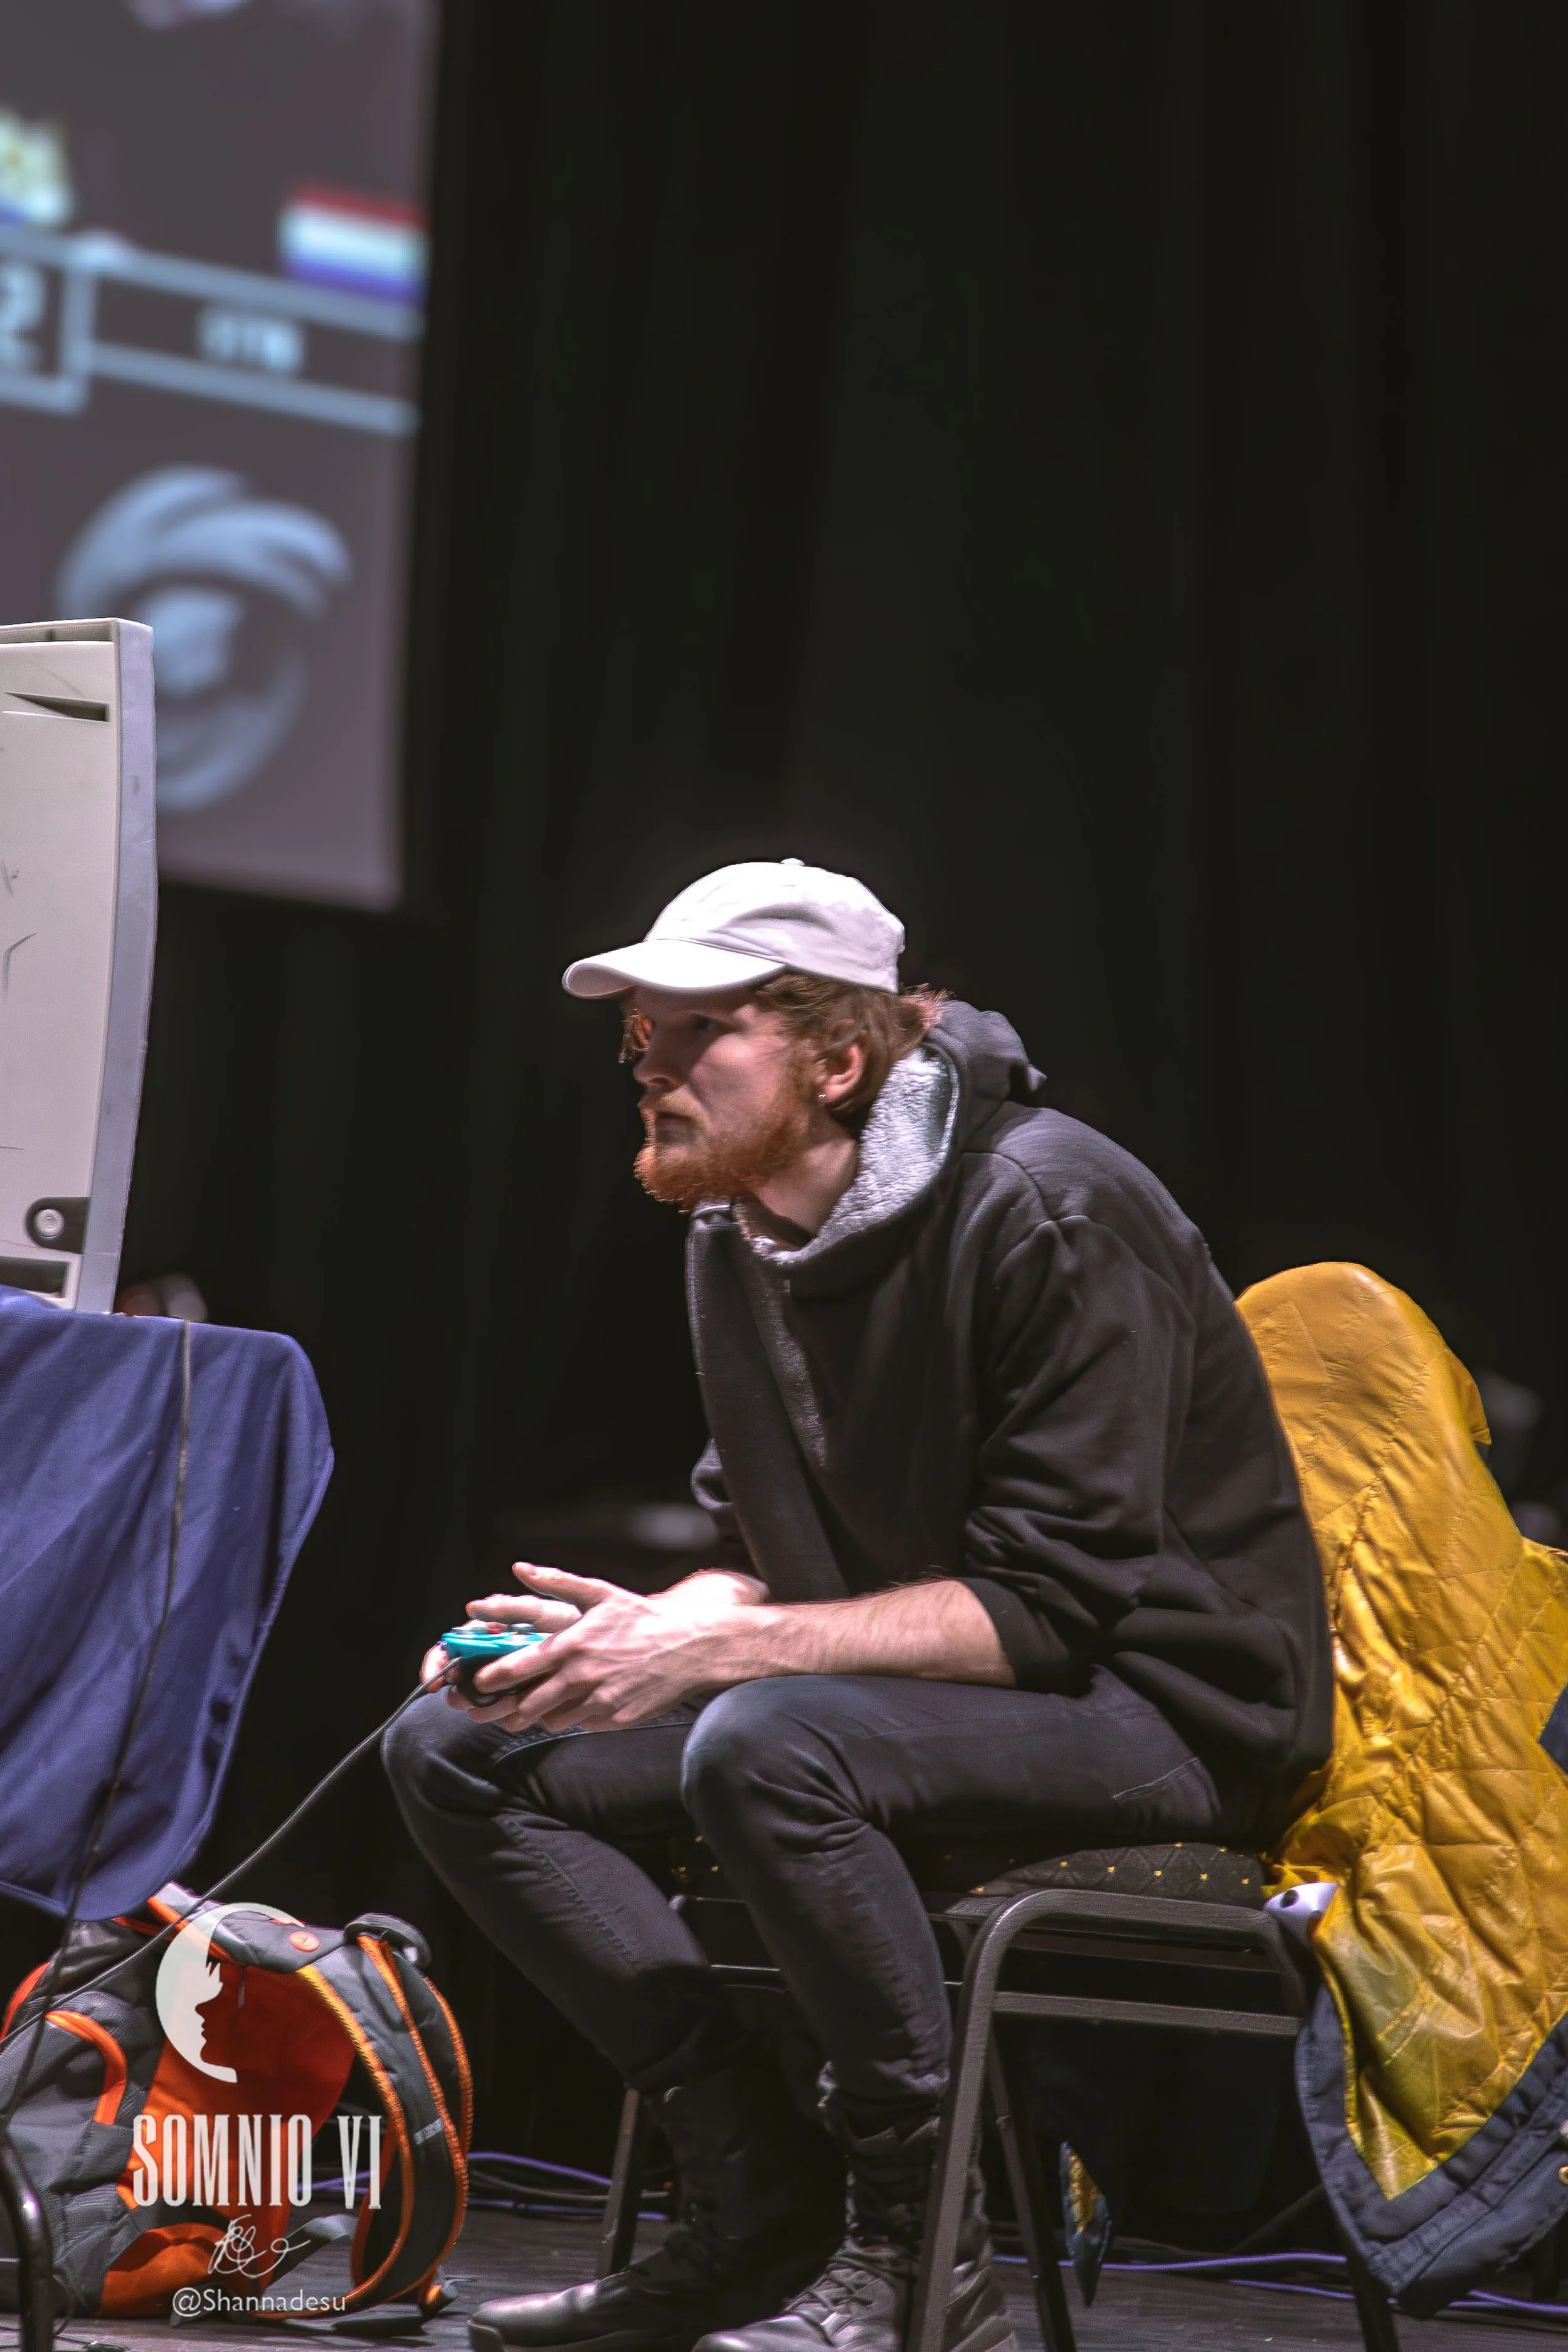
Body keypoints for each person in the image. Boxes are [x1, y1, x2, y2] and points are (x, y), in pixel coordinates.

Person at [384, 859, 1332, 2352]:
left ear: (836, 1059)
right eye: (639, 1037)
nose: (650, 1067)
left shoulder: (1051, 1205)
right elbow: (758, 1548)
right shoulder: (740, 1231)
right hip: (916, 1699)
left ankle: (917, 2259)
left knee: (767, 1744)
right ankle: (759, 2198)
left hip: (1163, 1716)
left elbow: (1052, 1610)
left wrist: (724, 1648)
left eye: (700, 1031)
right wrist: (637, 1634)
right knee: (459, 1746)